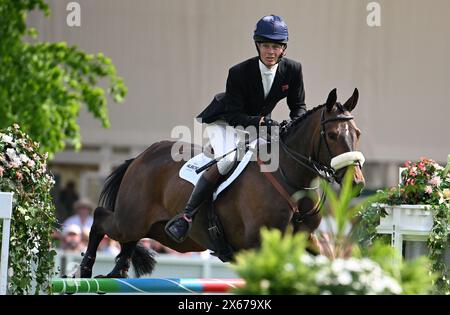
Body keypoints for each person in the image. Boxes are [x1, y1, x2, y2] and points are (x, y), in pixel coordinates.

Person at [165, 15, 307, 243]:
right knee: (227, 159)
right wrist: (262, 122)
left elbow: (298, 107)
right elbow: (233, 116)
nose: (271, 51)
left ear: (283, 49)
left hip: (259, 124)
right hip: (225, 122)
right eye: (266, 45)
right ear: (258, 46)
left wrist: (295, 127)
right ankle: (187, 216)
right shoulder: (239, 72)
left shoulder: (293, 70)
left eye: (276, 46)